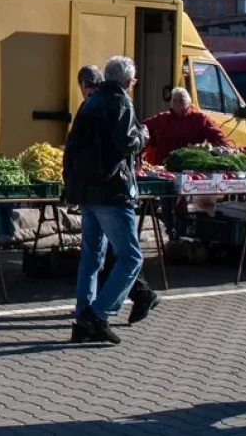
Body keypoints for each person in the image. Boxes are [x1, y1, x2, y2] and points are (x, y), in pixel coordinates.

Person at [64, 56, 148, 345]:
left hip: (87, 192)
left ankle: (83, 311)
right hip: (112, 191)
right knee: (130, 258)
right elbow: (126, 142)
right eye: (133, 81)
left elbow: (71, 146)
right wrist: (143, 137)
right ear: (128, 81)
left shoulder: (89, 103)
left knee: (91, 257)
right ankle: (97, 315)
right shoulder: (122, 103)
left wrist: (72, 188)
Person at [142, 87, 229, 239]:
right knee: (167, 203)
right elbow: (143, 127)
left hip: (192, 172)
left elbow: (217, 135)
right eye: (174, 100)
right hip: (166, 169)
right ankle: (172, 234)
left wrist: (226, 150)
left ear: (188, 102)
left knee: (185, 207)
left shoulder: (199, 118)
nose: (177, 103)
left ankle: (186, 235)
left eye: (181, 100)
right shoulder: (162, 118)